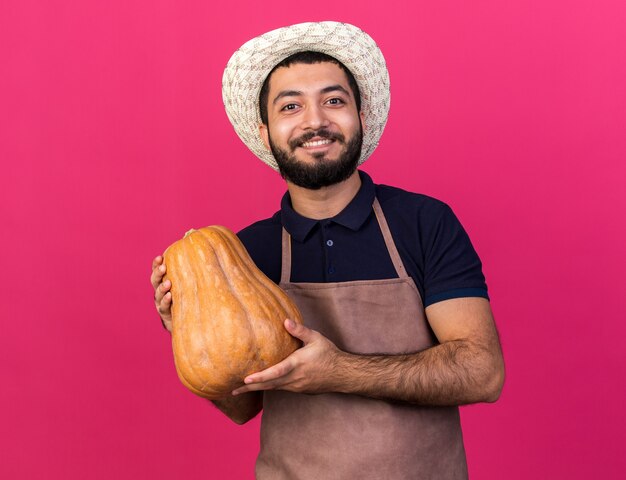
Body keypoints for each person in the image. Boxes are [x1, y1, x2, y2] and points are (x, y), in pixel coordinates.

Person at [151, 21, 504, 479]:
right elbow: (242, 408)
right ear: (266, 132)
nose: (314, 121)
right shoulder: (247, 251)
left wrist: (339, 371)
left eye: (334, 101)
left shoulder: (423, 223)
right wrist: (185, 329)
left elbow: (482, 372)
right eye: (291, 106)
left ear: (361, 115)